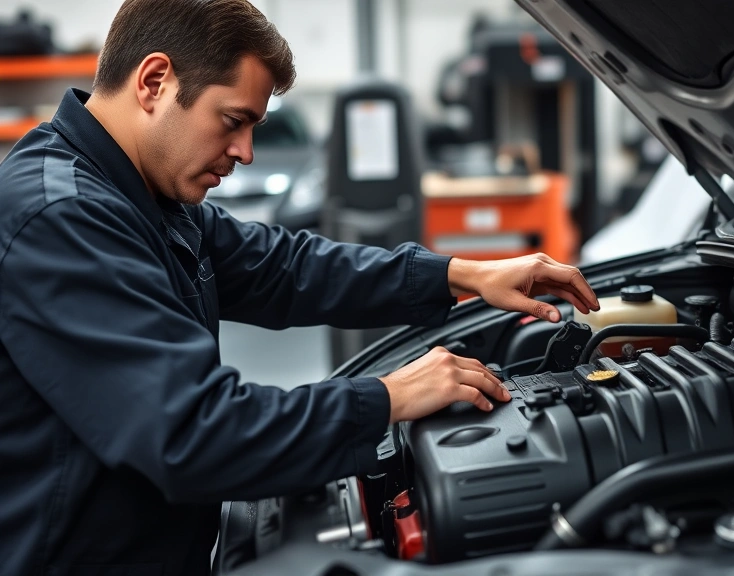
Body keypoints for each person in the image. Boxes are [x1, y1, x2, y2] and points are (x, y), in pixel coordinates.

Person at [0, 1, 599, 574]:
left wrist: (462, 274)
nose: (245, 152)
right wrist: (387, 397)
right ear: (154, 82)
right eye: (234, 121)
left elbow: (286, 267)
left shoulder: (141, 193)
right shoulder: (63, 217)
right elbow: (192, 433)